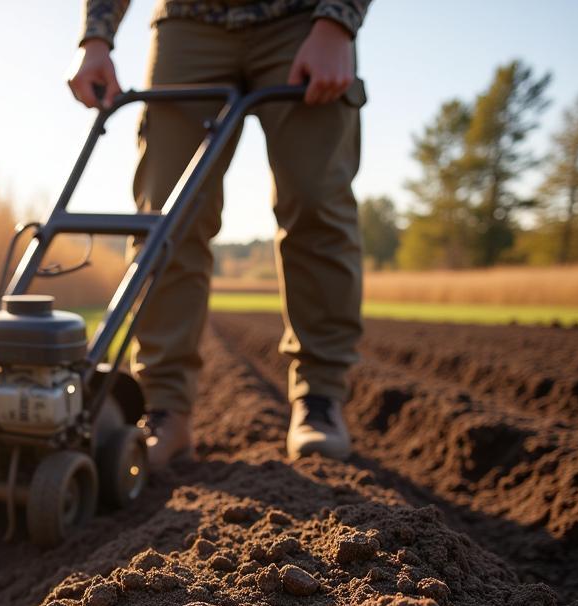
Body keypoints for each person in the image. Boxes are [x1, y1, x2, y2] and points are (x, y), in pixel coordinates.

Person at [68, 0, 371, 469]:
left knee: (316, 206)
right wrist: (95, 38)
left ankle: (320, 398)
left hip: (303, 18)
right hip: (188, 23)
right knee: (166, 220)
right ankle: (165, 408)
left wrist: (337, 21)